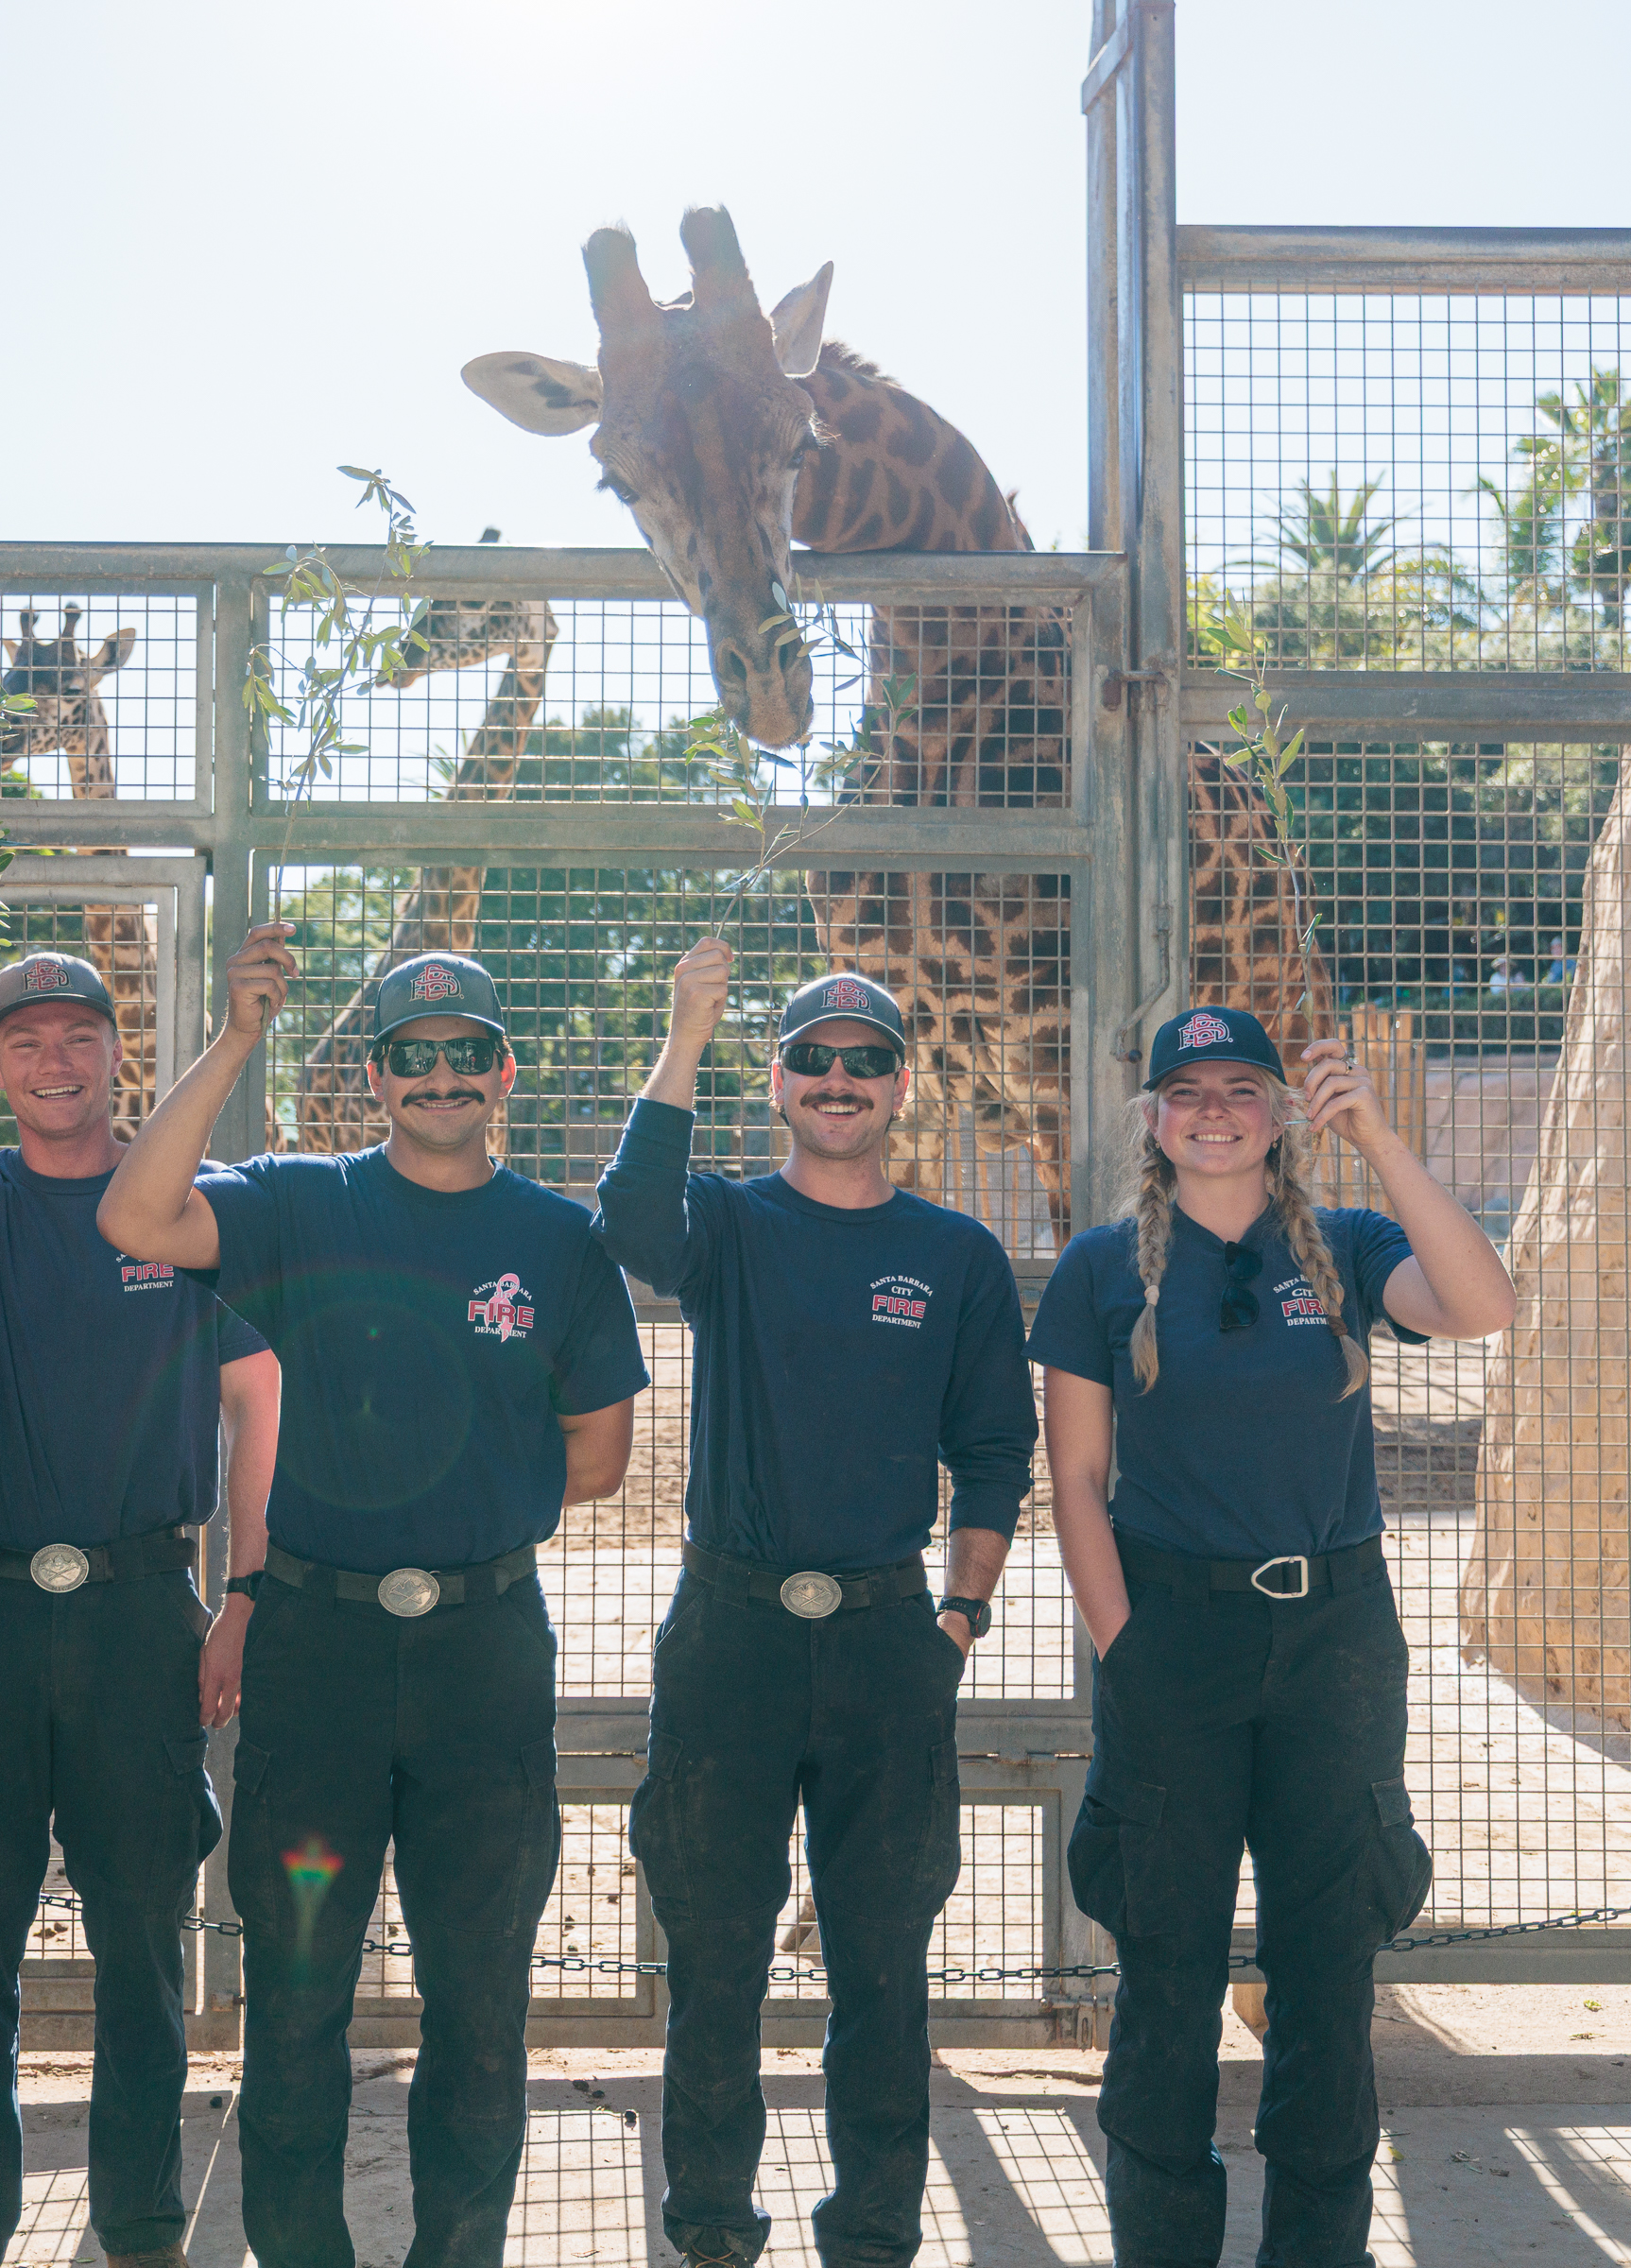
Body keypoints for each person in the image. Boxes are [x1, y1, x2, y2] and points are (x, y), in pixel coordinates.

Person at [97, 931, 648, 2268]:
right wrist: (235, 1038)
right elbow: (134, 1214)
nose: (442, 1077)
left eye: (467, 1055)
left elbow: (600, 1456)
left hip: (482, 1659)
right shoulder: (300, 1201)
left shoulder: (560, 1242)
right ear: (376, 1075)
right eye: (416, 1057)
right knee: (293, 2001)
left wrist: (464, 1508)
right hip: (317, 1655)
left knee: (478, 2004)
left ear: (503, 1071)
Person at [1028, 1005, 1516, 2268]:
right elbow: (1076, 1477)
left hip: (1333, 1640)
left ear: (1278, 1112)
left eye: (1239, 1086)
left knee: (1324, 1970)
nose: (1211, 1109)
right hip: (1169, 1632)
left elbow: (1477, 1302)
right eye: (1183, 1090)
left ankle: (1318, 2249)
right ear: (1151, 1118)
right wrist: (1123, 1643)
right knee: (1166, 1969)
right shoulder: (1099, 1267)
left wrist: (1382, 1141)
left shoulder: (1346, 1246)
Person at [0, 919, 283, 2268]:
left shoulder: (184, 1207)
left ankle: (141, 2228)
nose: (52, 1060)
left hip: (144, 1611)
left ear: (112, 1052)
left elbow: (257, 1397)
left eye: (76, 1036)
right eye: (23, 1040)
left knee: (142, 1940)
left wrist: (244, 1592)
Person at [592, 942, 1035, 2268]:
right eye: (813, 1061)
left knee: (879, 1971)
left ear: (903, 1087)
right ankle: (711, 2228)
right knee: (716, 1961)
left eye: (865, 1062)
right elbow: (626, 1219)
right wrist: (687, 1028)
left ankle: (872, 2232)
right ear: (777, 1083)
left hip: (884, 1639)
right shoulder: (725, 1226)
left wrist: (955, 1618)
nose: (839, 1081)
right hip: (727, 1632)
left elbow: (998, 1452)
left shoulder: (951, 1255)